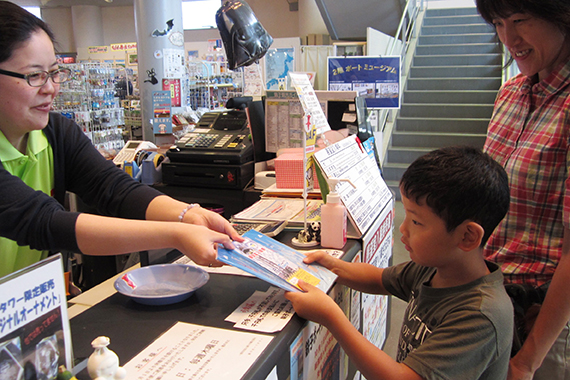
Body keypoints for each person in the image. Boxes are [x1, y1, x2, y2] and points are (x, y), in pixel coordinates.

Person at [0, 1, 242, 279]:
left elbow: (113, 188)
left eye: (54, 73)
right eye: (34, 76)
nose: (51, 88)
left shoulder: (56, 133)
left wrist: (187, 214)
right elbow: (45, 223)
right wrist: (178, 233)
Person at [286, 146, 513, 380]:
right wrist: (332, 265)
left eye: (416, 222)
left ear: (467, 236)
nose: (402, 229)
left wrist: (331, 316)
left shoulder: (481, 315)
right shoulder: (435, 268)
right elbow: (379, 279)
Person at [475, 0, 570, 378]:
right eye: (498, 23)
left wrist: (528, 359)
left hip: (543, 320)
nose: (509, 38)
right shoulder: (512, 92)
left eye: (520, 20)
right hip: (493, 300)